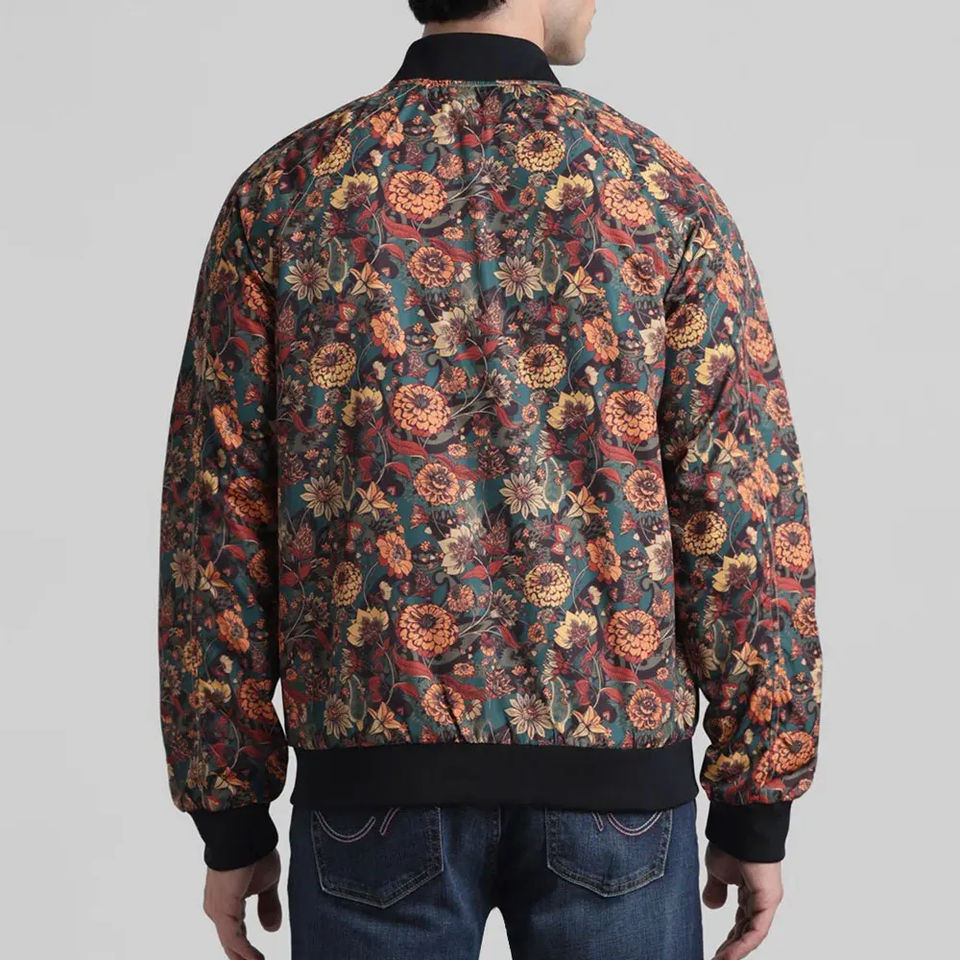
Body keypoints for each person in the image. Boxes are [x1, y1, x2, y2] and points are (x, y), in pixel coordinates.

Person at [156, 2, 823, 958]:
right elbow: (745, 507)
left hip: (372, 784)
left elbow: (215, 517)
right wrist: (757, 803)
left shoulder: (290, 190)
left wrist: (230, 812)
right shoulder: (657, 189)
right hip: (617, 787)